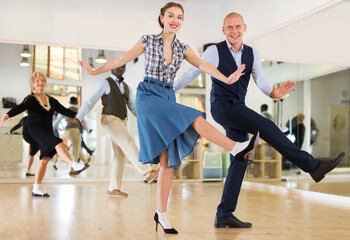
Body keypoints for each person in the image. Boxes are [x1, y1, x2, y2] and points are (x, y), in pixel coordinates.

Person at [80, 2, 259, 234]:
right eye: (171, 15)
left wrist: (226, 79)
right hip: (148, 95)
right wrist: (94, 71)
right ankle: (235, 148)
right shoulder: (148, 41)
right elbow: (120, 60)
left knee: (167, 162)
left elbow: (203, 64)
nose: (175, 20)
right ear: (162, 18)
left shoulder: (183, 47)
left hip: (168, 95)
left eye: (180, 17)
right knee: (194, 117)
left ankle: (161, 215)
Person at [174, 12, 345, 229]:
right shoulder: (214, 51)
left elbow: (262, 82)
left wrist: (275, 93)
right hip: (222, 107)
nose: (234, 31)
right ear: (223, 30)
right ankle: (312, 165)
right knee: (266, 126)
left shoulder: (253, 54)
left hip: (238, 107)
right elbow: (191, 73)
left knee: (241, 157)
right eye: (229, 27)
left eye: (237, 27)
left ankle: (224, 214)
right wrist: (166, 91)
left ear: (244, 28)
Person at [0, 72, 89, 197]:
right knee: (58, 142)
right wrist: (7, 115)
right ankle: (74, 164)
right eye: (37, 81)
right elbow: (20, 107)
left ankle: (36, 188)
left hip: (47, 130)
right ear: (33, 85)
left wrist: (77, 116)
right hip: (35, 130)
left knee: (44, 159)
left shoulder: (50, 99)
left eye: (42, 80)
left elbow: (64, 110)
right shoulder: (30, 98)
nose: (40, 83)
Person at [76, 65, 160, 197]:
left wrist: (146, 120)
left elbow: (133, 106)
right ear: (112, 68)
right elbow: (90, 101)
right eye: (118, 66)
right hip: (109, 119)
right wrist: (79, 116)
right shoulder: (104, 83)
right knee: (129, 142)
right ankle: (147, 172)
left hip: (122, 121)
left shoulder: (126, 87)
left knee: (119, 154)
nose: (121, 68)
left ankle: (113, 188)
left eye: (123, 66)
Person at [54, 97, 91, 172]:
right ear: (77, 102)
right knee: (75, 150)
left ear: (69, 102)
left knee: (77, 146)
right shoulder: (79, 110)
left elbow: (57, 122)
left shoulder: (66, 110)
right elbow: (84, 122)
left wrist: (55, 128)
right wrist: (88, 130)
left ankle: (85, 160)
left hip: (67, 131)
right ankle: (73, 170)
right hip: (75, 131)